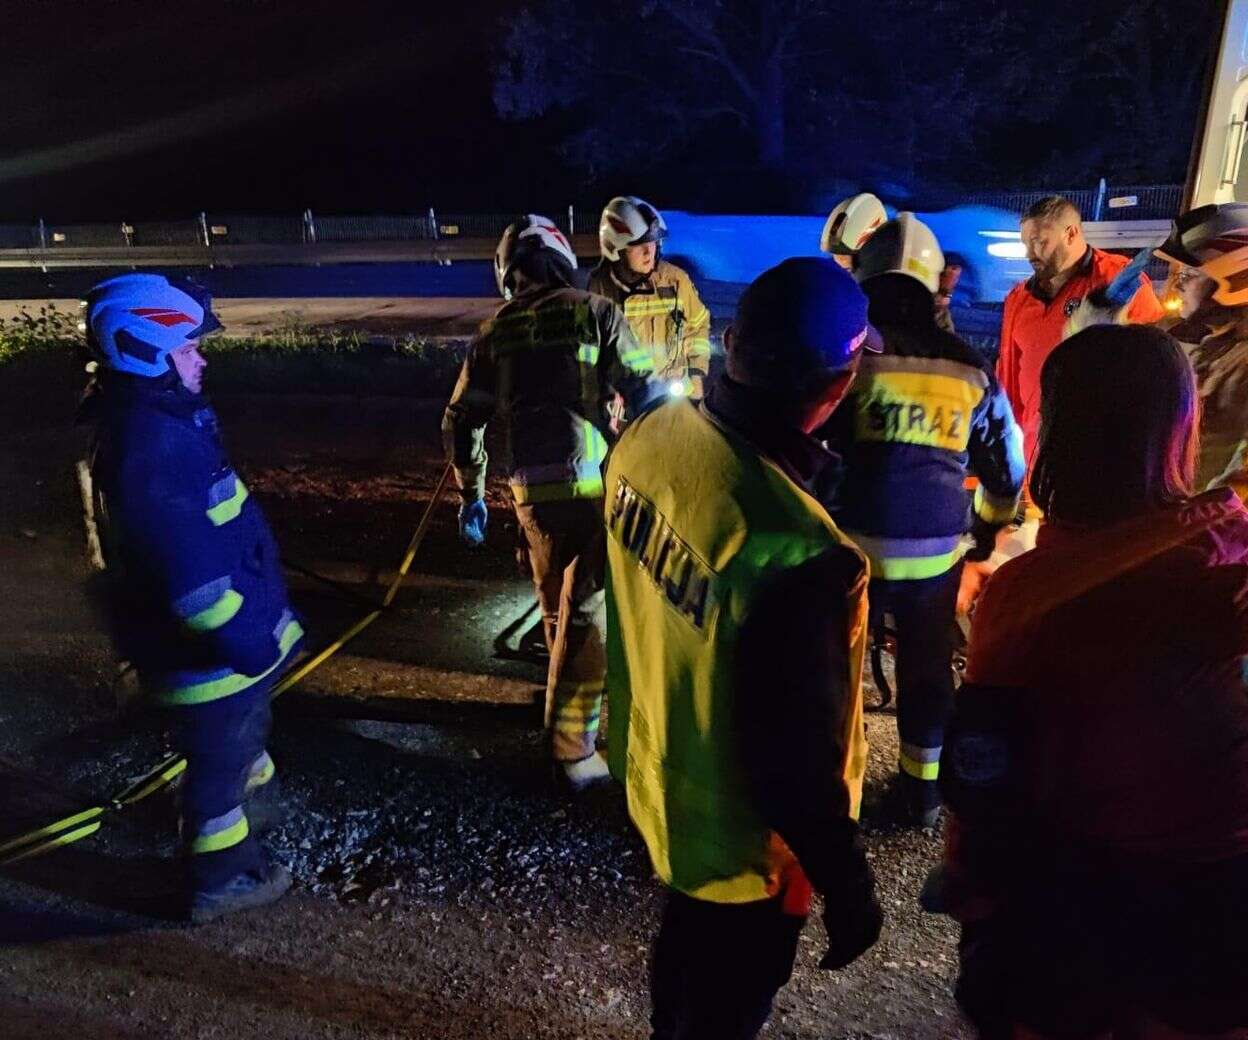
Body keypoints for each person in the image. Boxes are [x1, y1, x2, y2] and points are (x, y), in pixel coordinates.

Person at [939, 324, 1248, 1038]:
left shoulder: (1028, 595)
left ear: (1056, 430)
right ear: (1180, 428)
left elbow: (985, 776)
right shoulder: (1222, 553)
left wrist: (970, 886)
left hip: (1083, 899)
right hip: (1221, 900)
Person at [605, 257, 884, 1040]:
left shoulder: (653, 437)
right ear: (840, 384)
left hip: (658, 778)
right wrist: (848, 884)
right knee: (727, 1004)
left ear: (731, 343)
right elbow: (794, 755)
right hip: (745, 844)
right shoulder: (796, 550)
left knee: (685, 958)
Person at [86, 273, 301, 923]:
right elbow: (190, 575)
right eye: (187, 349)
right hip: (207, 656)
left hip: (215, 649)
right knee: (217, 762)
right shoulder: (152, 442)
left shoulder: (158, 420)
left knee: (232, 741)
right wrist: (245, 638)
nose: (201, 358)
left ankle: (238, 790)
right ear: (147, 353)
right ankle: (220, 873)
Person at [820, 213, 1024, 826]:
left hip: (850, 550)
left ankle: (833, 791)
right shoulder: (968, 367)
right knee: (927, 671)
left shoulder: (849, 358)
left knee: (836, 670)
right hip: (935, 558)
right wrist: (989, 527)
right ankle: (923, 795)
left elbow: (809, 447)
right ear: (934, 287)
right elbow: (1006, 467)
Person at [443, 214, 658, 791]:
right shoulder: (596, 311)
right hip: (594, 488)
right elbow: (648, 394)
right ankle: (572, 751)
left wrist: (471, 495)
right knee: (592, 619)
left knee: (559, 614)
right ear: (562, 259)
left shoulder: (495, 331)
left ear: (508, 273)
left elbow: (462, 420)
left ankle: (569, 722)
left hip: (529, 496)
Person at [998, 195, 1166, 467]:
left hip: (1098, 452)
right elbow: (1007, 380)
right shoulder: (1018, 298)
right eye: (1026, 243)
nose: (1030, 253)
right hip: (1036, 455)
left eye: (1040, 242)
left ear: (1071, 233)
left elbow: (1154, 363)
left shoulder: (1115, 278)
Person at [1154, 202, 1248, 495]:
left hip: (1210, 533)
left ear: (1234, 278)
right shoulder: (1215, 345)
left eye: (1189, 275)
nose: (1178, 286)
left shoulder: (1241, 365)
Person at [587, 196, 712, 401]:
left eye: (654, 242)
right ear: (614, 248)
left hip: (673, 396)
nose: (649, 252)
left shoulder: (674, 281)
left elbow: (698, 326)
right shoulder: (599, 288)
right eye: (638, 245)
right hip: (626, 402)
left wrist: (696, 375)